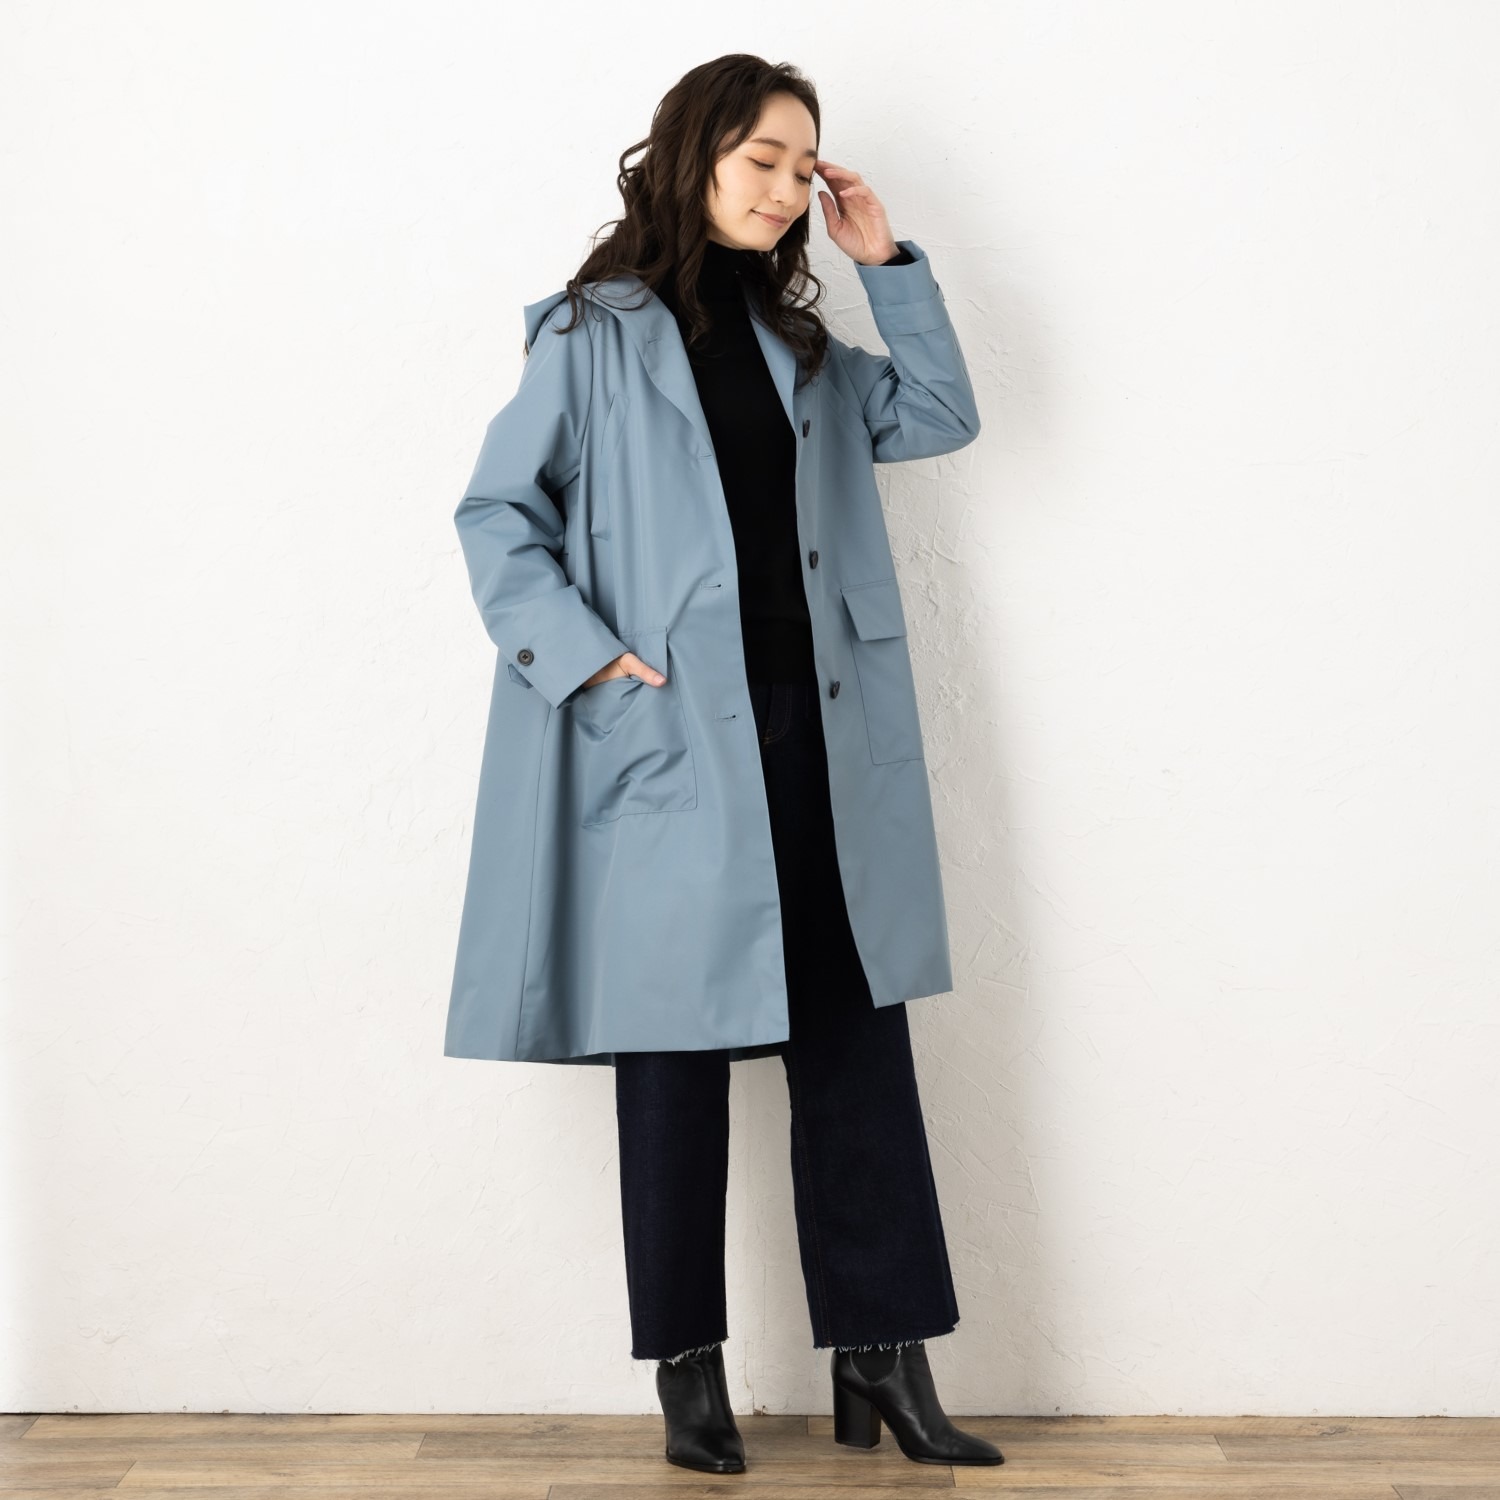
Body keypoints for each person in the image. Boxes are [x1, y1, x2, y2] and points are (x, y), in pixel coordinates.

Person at [446, 55, 1000, 1473]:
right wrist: (584, 658)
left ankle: (884, 1354)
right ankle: (687, 1372)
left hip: (818, 724)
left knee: (854, 1030)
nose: (786, 188)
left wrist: (888, 268)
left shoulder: (802, 348)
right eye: (761, 158)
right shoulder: (592, 337)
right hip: (673, 737)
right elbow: (498, 513)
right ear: (693, 156)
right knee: (674, 1053)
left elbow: (942, 415)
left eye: (803, 166)